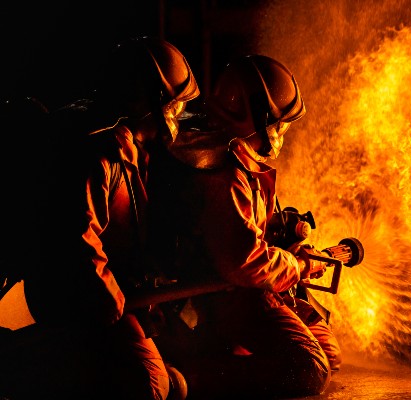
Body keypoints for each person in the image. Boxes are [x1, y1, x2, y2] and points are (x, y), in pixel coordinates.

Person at [0, 36, 200, 400]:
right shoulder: (94, 149)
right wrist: (107, 295)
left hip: (110, 291)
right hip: (75, 297)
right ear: (146, 102)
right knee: (149, 386)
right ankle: (16, 366)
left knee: (174, 380)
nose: (175, 116)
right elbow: (78, 239)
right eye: (171, 105)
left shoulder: (130, 146)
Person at [146, 54, 342, 399]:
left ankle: (225, 357)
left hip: (248, 288)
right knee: (308, 370)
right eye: (279, 124)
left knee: (331, 354)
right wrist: (296, 265)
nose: (281, 132)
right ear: (257, 118)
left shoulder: (237, 159)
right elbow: (242, 260)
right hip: (227, 294)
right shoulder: (227, 172)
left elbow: (250, 231)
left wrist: (285, 236)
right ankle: (187, 376)